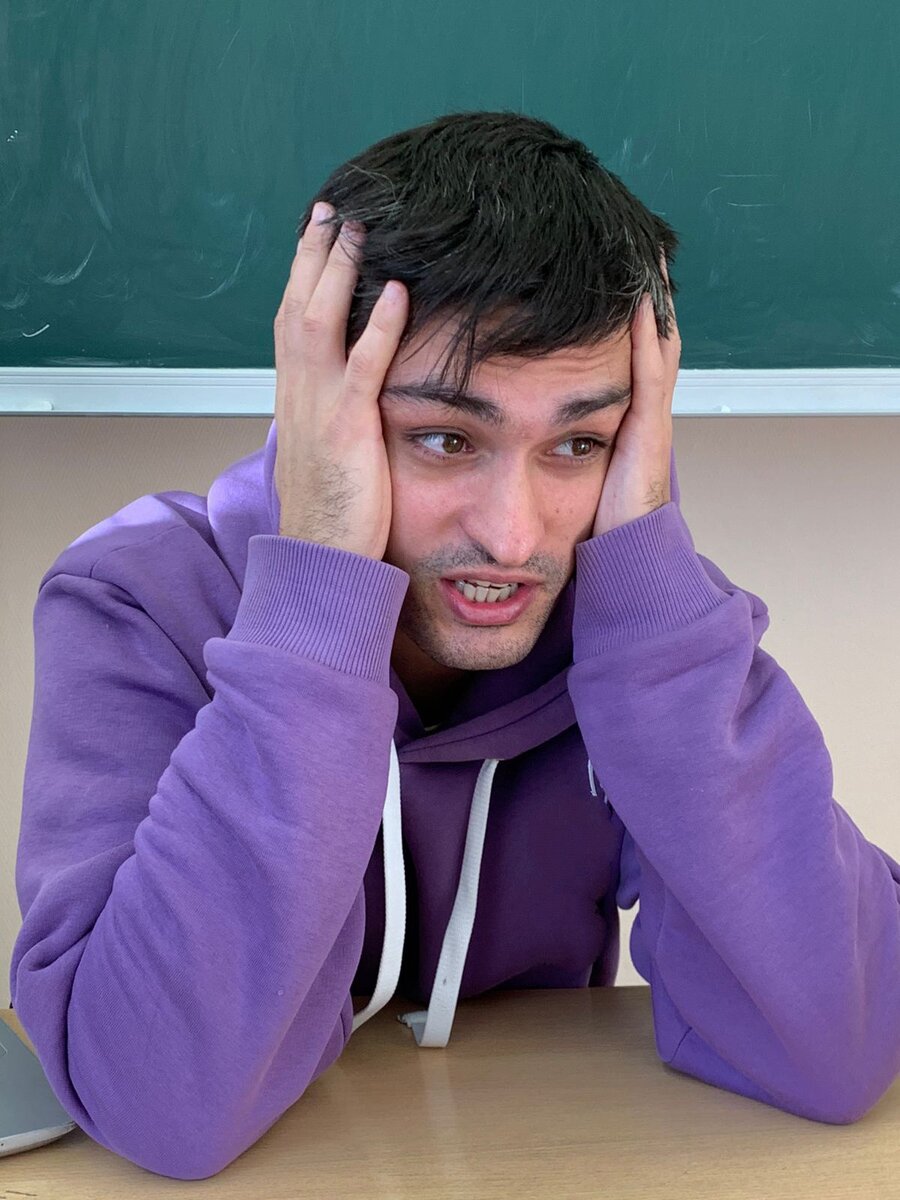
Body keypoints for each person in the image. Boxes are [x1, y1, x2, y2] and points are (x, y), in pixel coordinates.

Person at [10, 110, 900, 1181]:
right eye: (444, 438)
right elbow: (157, 1102)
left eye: (579, 442)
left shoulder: (636, 629)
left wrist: (656, 610)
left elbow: (838, 1048)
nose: (515, 538)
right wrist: (317, 607)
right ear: (321, 411)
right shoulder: (139, 599)